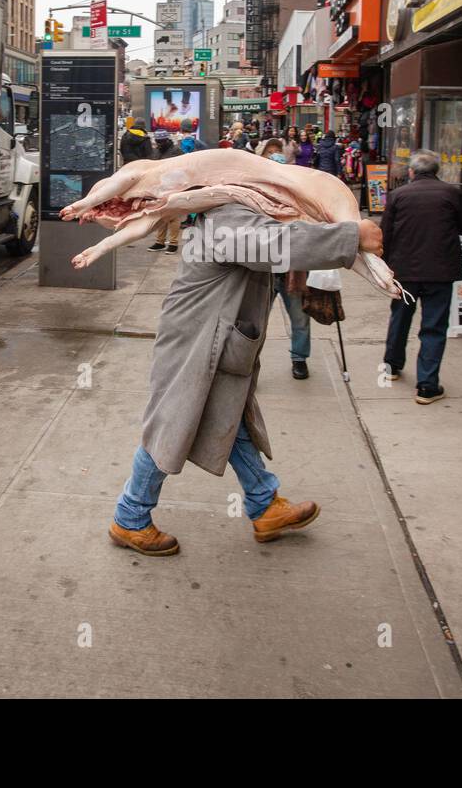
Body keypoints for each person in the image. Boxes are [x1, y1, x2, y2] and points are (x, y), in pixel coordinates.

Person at [108, 205, 385, 556]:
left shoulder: (229, 212)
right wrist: (351, 237)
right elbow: (273, 243)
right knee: (171, 424)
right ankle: (130, 517)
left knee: (230, 415)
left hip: (216, 341)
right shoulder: (228, 216)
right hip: (196, 343)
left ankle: (264, 504)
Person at [380, 150, 462, 404]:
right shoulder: (451, 193)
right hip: (440, 272)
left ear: (411, 172)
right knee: (433, 326)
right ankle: (427, 385)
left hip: (405, 270)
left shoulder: (398, 195)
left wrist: (385, 266)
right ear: (437, 171)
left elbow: (384, 234)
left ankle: (392, 365)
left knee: (400, 318)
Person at [255, 138, 314, 379]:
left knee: (300, 317)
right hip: (263, 270)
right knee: (255, 322)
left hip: (294, 266)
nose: (275, 156)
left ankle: (299, 359)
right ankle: (248, 361)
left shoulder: (299, 190)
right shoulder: (254, 191)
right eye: (270, 153)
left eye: (278, 152)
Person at [147, 131, 183, 254]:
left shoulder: (176, 151)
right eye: (157, 142)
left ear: (167, 140)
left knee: (173, 215)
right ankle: (160, 242)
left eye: (161, 141)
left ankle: (173, 243)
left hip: (174, 185)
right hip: (159, 186)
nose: (159, 144)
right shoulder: (156, 151)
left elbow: (183, 168)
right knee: (160, 214)